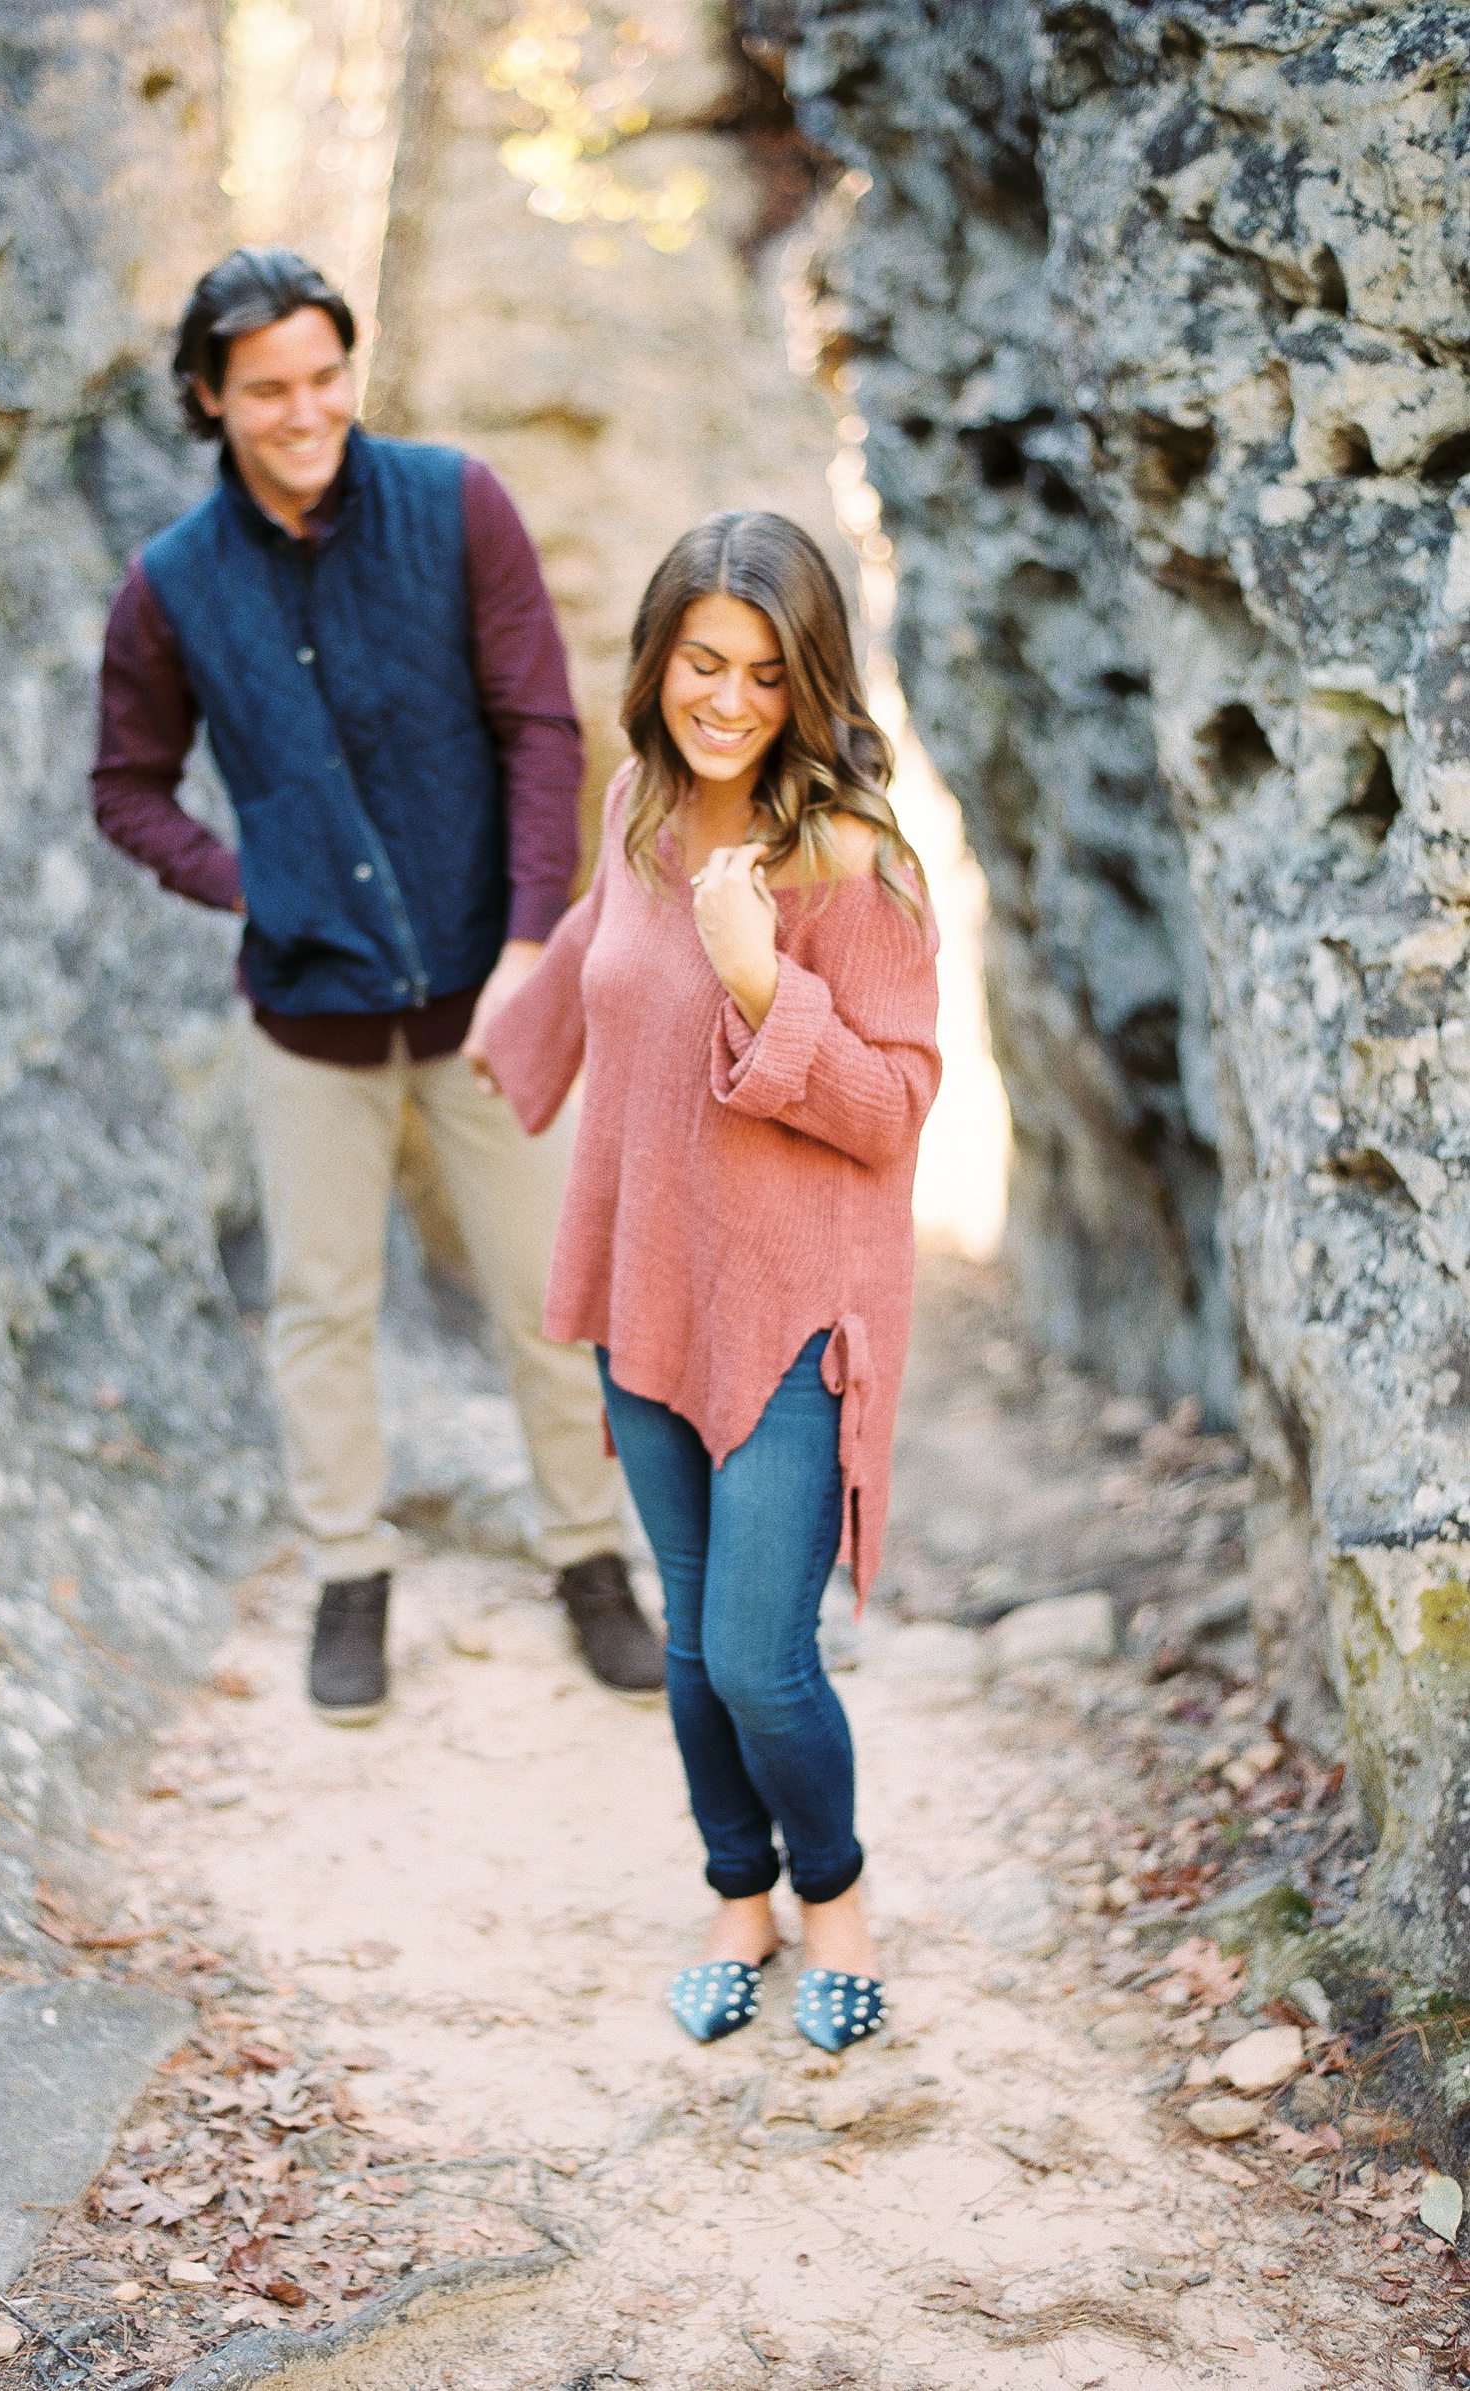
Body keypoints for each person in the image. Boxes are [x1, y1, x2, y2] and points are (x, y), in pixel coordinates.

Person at [90, 246, 663, 1721]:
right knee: (321, 1307)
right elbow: (128, 790)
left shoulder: (457, 504)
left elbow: (543, 728)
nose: (306, 410)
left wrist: (534, 948)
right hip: (310, 1016)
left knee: (553, 1297)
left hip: (493, 992)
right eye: (268, 388)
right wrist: (251, 886)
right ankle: (351, 1575)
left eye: (326, 376)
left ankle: (591, 1564)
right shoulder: (169, 588)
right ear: (209, 401)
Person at [473, 511, 940, 2051]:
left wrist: (763, 976)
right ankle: (736, 1898)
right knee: (687, 1644)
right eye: (702, 662)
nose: (729, 700)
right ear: (660, 661)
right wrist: (513, 1039)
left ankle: (839, 1900)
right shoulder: (639, 805)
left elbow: (893, 1103)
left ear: (810, 682)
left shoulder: (851, 862)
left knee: (758, 1652)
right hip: (653, 1284)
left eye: (765, 672)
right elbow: (605, 953)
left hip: (800, 1311)